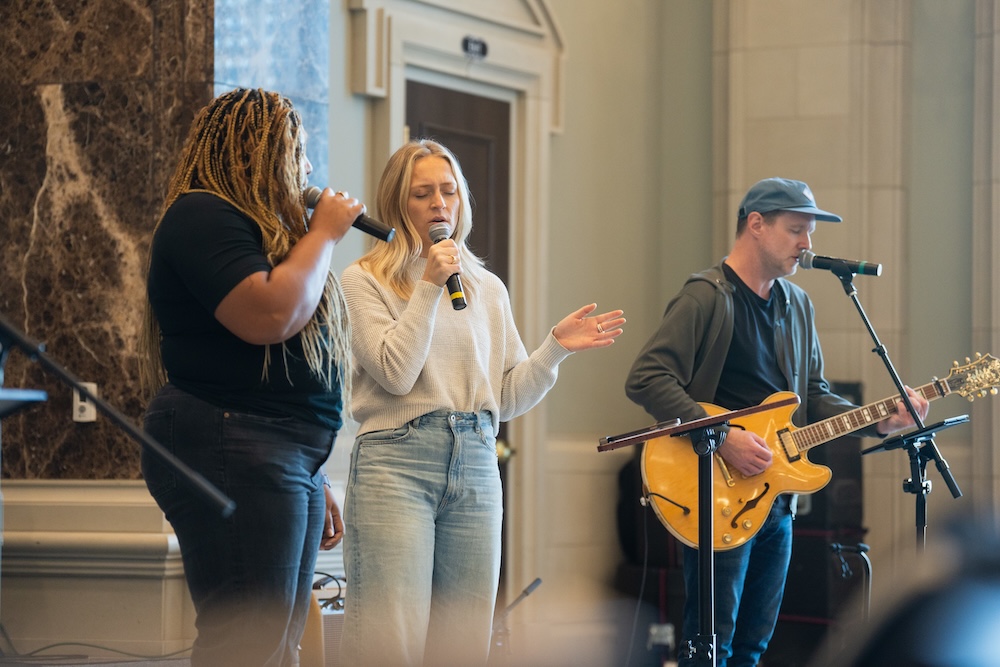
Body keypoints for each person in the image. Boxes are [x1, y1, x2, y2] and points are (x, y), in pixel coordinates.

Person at [338, 138, 626, 667]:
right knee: (389, 644)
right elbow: (397, 374)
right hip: (396, 465)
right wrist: (428, 283)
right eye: (422, 194)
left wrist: (554, 350)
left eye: (448, 191)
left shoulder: (487, 289)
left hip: (475, 463)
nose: (439, 204)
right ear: (397, 203)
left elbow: (507, 398)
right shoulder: (362, 282)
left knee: (463, 646)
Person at [624, 177, 929, 667]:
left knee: (752, 648)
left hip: (776, 502)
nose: (807, 245)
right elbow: (647, 379)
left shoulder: (797, 305)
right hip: (715, 495)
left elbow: (813, 397)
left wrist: (880, 422)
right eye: (796, 230)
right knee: (710, 648)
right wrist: (722, 437)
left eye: (810, 233)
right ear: (757, 225)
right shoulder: (706, 297)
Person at [138, 87, 364, 667]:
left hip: (277, 450)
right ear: (253, 152)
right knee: (247, 646)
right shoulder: (202, 214)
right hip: (230, 437)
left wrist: (314, 475)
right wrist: (324, 235)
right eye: (297, 150)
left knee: (279, 644)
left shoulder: (249, 228)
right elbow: (270, 314)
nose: (307, 168)